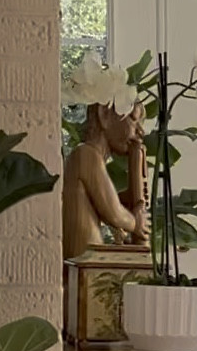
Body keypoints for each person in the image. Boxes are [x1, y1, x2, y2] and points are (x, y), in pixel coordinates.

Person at [62, 100, 150, 259]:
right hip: (83, 262)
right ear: (105, 115)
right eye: (133, 119)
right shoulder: (86, 155)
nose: (140, 131)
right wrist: (136, 223)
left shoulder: (91, 157)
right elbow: (113, 212)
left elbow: (103, 200)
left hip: (88, 260)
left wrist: (133, 197)